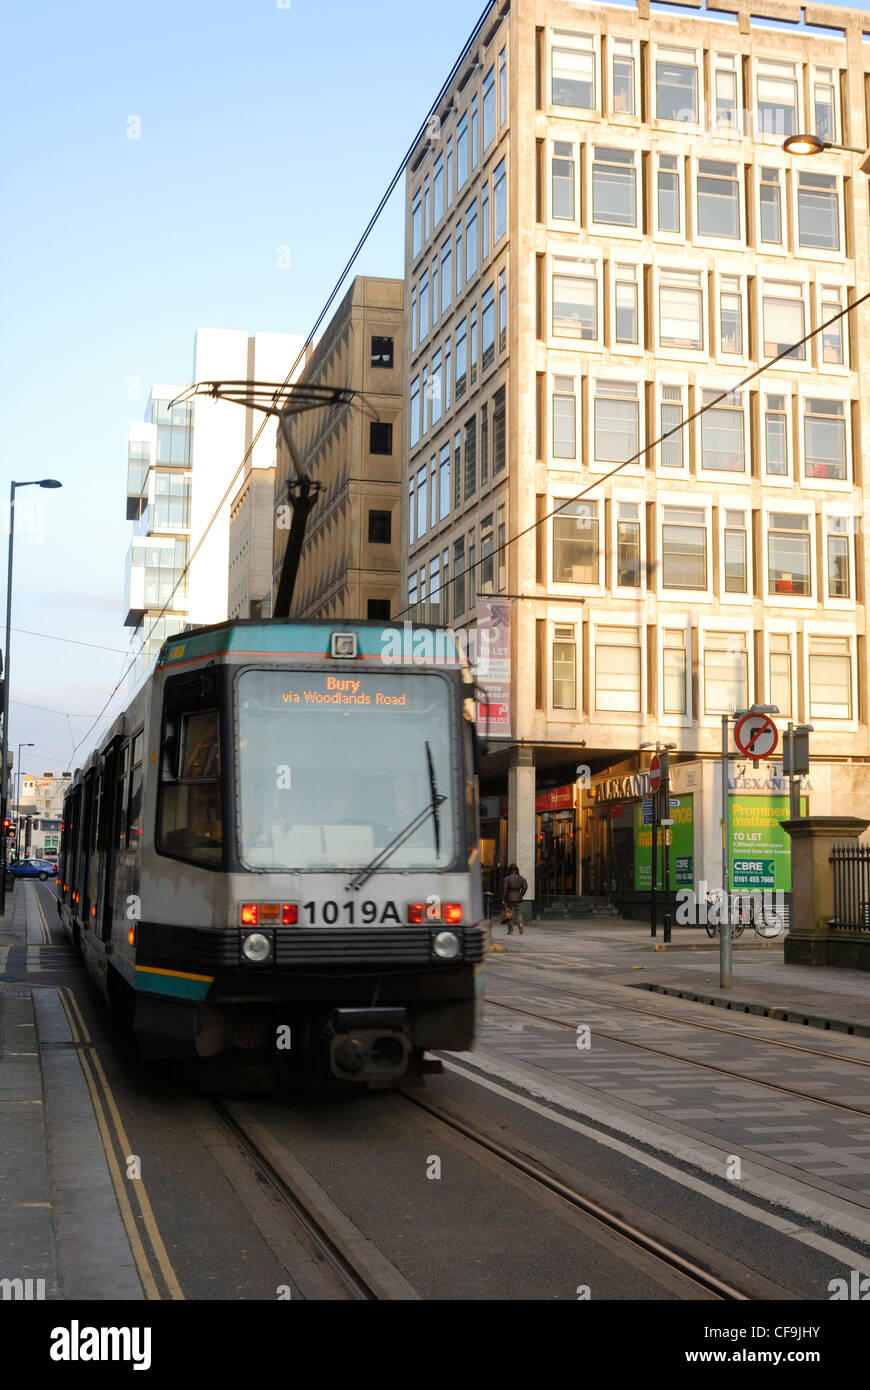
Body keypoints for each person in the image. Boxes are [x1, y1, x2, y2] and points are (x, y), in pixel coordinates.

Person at [502, 863, 528, 935]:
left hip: (509, 898)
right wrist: (521, 894)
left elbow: (505, 890)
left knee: (509, 914)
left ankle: (511, 930)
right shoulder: (522, 878)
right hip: (518, 897)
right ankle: (521, 925)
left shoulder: (507, 878)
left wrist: (503, 899)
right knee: (519, 913)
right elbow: (525, 887)